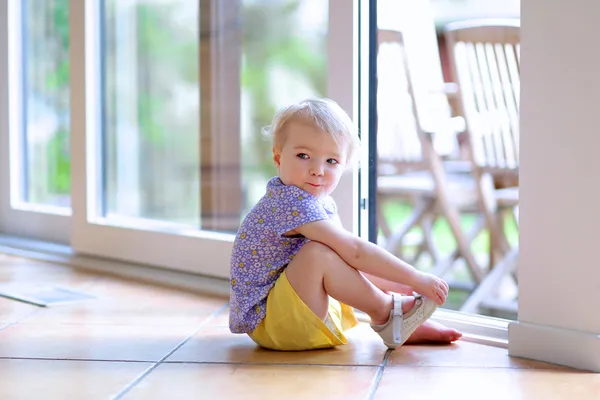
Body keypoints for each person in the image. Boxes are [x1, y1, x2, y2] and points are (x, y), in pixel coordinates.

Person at [229, 98, 462, 351]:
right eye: (303, 155)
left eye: (331, 161)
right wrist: (415, 278)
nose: (318, 170)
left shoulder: (319, 203)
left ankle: (397, 319)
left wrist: (401, 287)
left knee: (329, 252)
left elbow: (349, 260)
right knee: (317, 254)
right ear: (278, 158)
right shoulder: (289, 202)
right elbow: (355, 251)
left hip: (290, 311)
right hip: (272, 321)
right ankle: (387, 313)